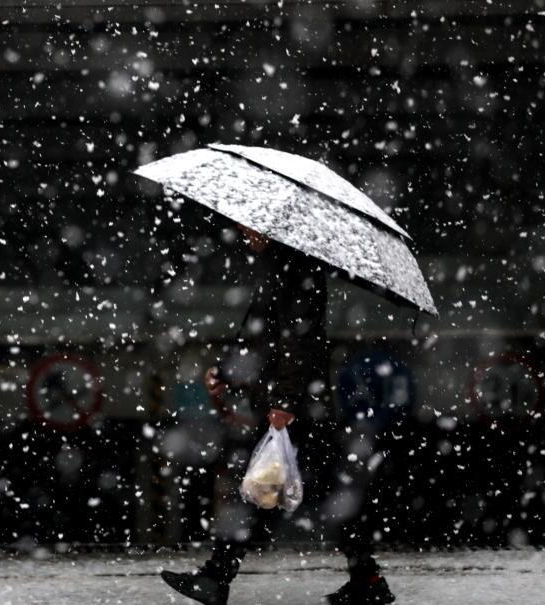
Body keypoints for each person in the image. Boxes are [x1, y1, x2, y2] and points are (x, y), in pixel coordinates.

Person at [160, 225, 395, 605]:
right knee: (286, 489)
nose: (243, 231)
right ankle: (367, 579)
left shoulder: (295, 268)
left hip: (294, 407)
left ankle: (217, 577)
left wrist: (285, 401)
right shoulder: (278, 266)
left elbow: (300, 340)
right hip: (293, 403)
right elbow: (260, 335)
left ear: (274, 227)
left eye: (250, 226)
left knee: (263, 488)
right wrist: (225, 373)